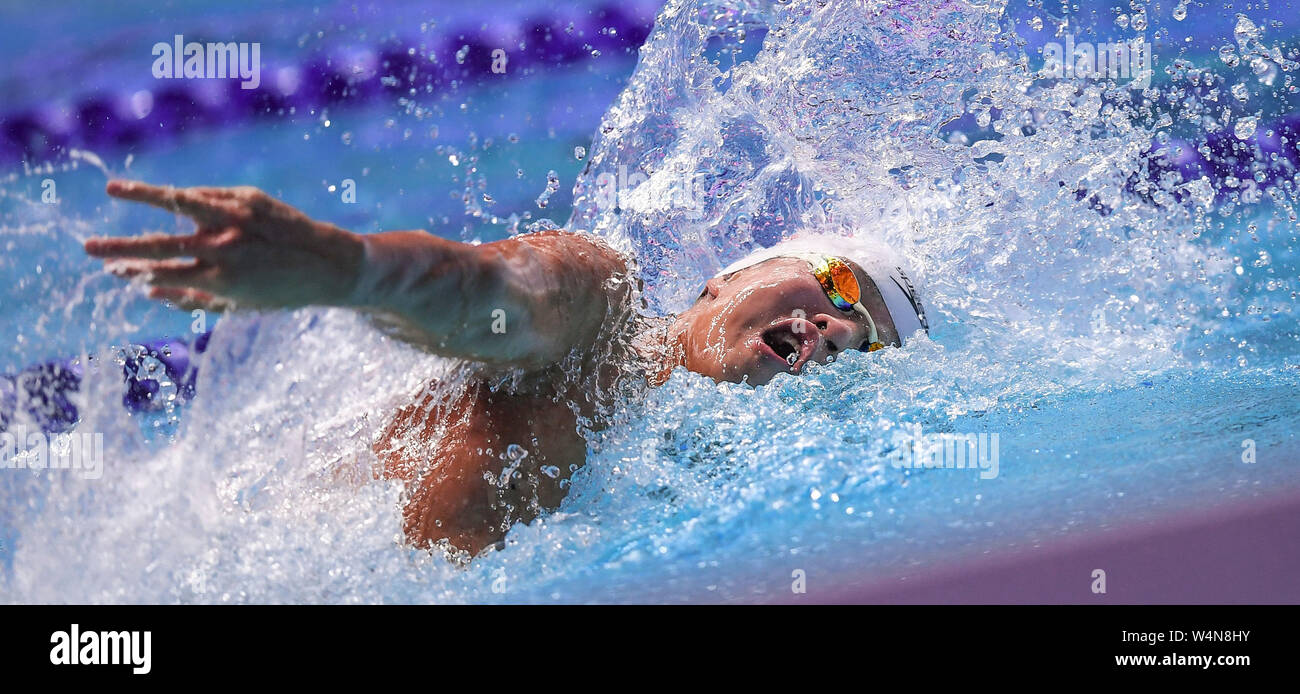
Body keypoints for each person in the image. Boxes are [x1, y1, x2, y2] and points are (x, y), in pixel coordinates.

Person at [84, 179, 927, 556]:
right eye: (838, 285)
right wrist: (341, 267)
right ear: (728, 278)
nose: (832, 327)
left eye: (864, 341)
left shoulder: (690, 500)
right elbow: (490, 292)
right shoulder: (598, 312)